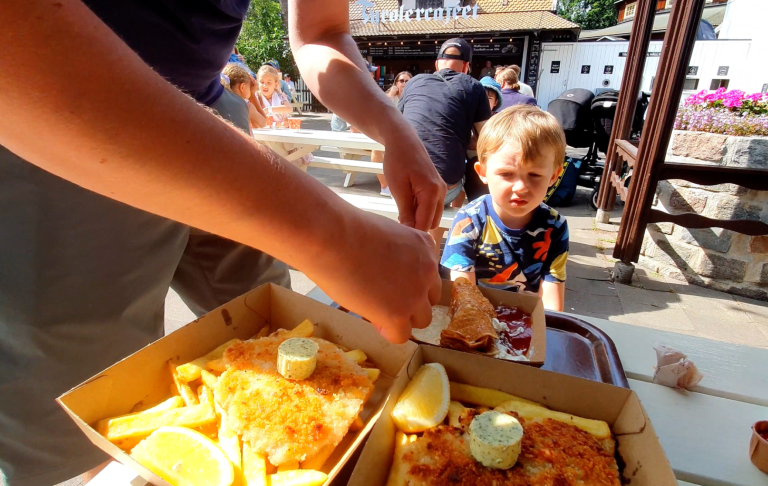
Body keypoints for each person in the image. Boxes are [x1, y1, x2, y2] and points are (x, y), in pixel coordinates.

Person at [0, 0, 447, 483]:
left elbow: (321, 30)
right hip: (58, 116)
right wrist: (336, 235)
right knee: (71, 427)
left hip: (213, 114)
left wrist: (393, 125)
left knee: (280, 335)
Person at [440, 106, 569, 312]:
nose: (521, 187)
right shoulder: (469, 220)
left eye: (535, 175)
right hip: (477, 316)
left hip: (526, 318)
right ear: (483, 172)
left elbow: (552, 300)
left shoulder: (555, 226)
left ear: (553, 176)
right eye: (507, 174)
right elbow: (463, 292)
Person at [398, 38, 492, 243]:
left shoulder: (414, 82)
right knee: (465, 172)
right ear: (466, 67)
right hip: (441, 188)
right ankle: (447, 241)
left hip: (399, 186)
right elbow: (488, 140)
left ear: (437, 64)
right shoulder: (474, 87)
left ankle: (425, 242)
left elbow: (400, 123)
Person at [222, 62, 267, 129]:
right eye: (250, 86)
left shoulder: (220, 101)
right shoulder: (246, 106)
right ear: (242, 87)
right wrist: (252, 94)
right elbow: (263, 123)